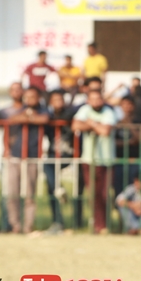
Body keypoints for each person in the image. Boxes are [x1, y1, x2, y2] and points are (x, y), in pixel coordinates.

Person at [2, 85, 49, 234]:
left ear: (38, 98)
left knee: (29, 194)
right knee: (12, 193)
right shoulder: (20, 109)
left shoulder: (44, 110)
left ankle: (28, 225)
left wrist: (28, 118)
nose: (29, 99)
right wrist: (28, 117)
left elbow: (44, 119)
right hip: (15, 155)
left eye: (32, 97)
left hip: (32, 156)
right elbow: (12, 119)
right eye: (27, 97)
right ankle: (15, 225)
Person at [71, 88, 117, 234]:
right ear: (88, 100)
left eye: (98, 99)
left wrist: (92, 124)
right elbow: (75, 126)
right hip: (89, 159)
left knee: (104, 194)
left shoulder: (109, 112)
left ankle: (105, 224)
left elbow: (105, 131)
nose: (96, 102)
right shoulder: (84, 110)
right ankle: (98, 225)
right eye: (93, 99)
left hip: (106, 160)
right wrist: (96, 125)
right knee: (93, 194)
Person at [43, 89, 77, 234]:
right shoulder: (47, 115)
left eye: (60, 99)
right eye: (55, 100)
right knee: (51, 187)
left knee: (48, 167)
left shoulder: (70, 113)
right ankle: (58, 221)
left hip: (68, 154)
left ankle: (74, 223)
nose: (58, 102)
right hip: (53, 154)